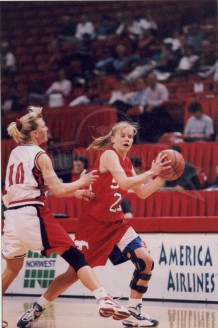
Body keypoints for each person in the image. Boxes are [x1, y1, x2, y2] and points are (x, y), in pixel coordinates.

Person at [19, 121, 171, 328]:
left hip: (117, 223)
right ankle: (38, 307)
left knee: (146, 260)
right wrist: (153, 172)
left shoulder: (127, 163)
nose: (127, 139)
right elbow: (126, 184)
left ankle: (134, 311)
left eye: (131, 137)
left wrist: (161, 178)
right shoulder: (109, 155)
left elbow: (142, 193)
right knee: (71, 275)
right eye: (123, 135)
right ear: (113, 138)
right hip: (94, 225)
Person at [2, 107, 130, 328]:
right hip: (32, 214)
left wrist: (75, 191)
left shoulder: (15, 152)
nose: (47, 129)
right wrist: (81, 182)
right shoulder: (41, 156)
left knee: (12, 269)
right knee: (76, 257)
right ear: (35, 133)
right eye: (43, 126)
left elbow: (35, 187)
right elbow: (58, 189)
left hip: (11, 217)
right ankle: (103, 298)